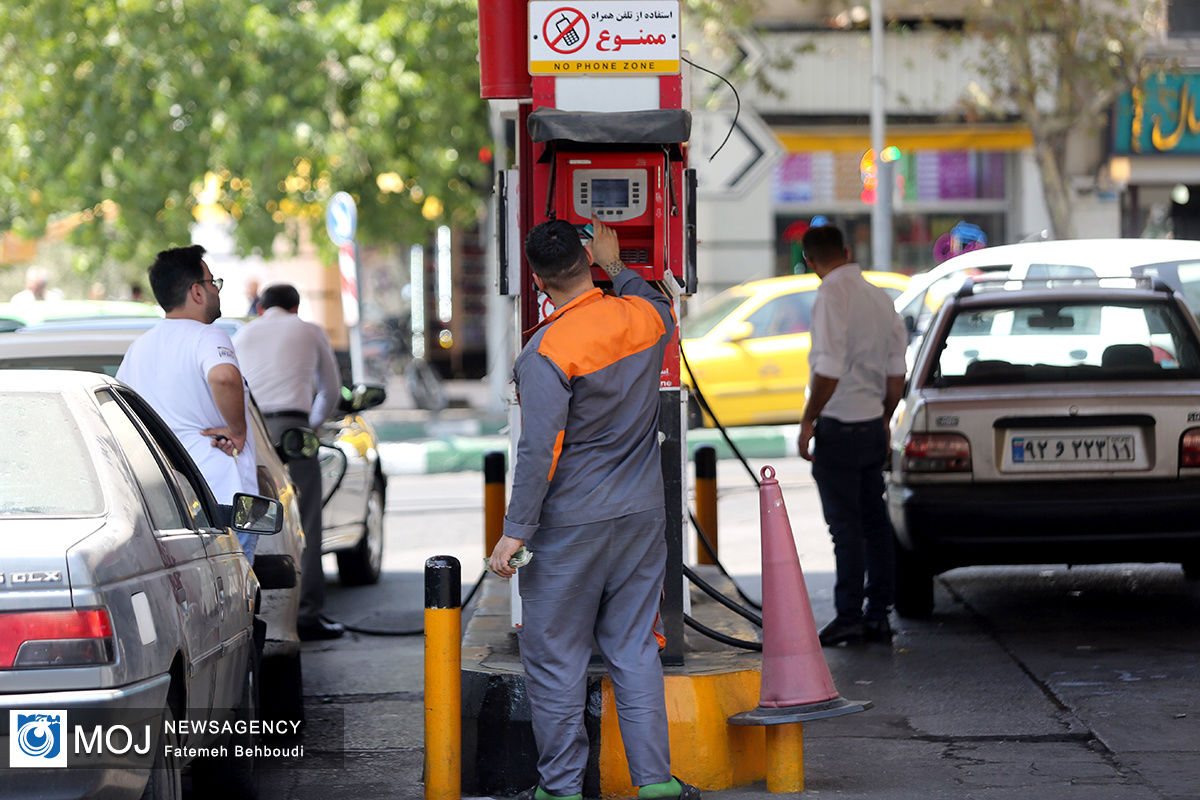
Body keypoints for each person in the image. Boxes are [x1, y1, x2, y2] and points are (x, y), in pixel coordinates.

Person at [488, 217, 699, 800]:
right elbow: (658, 301)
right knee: (634, 648)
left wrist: (514, 532)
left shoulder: (546, 351)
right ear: (586, 259)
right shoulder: (644, 317)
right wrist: (617, 264)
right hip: (639, 518)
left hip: (568, 528)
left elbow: (538, 450)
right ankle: (656, 786)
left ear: (535, 280)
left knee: (556, 660)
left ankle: (560, 790)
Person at [796, 224, 907, 647]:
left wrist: (808, 421)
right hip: (872, 427)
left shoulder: (830, 295)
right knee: (874, 524)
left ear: (810, 261)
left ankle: (848, 617)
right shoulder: (881, 297)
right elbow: (896, 373)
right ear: (846, 250)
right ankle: (878, 616)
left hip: (840, 429)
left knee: (846, 528)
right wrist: (883, 416)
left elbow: (828, 368)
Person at [116, 245, 261, 561]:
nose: (217, 292)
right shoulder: (207, 335)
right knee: (239, 602)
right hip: (224, 499)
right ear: (197, 291)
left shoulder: (138, 349)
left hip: (167, 504)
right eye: (213, 283)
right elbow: (224, 377)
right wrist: (238, 431)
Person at [233, 283, 344, 641]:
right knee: (307, 519)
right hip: (294, 428)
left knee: (253, 517)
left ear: (262, 308)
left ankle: (251, 610)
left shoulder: (242, 334)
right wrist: (308, 427)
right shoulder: (309, 330)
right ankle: (308, 614)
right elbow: (331, 389)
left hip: (251, 431)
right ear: (296, 308)